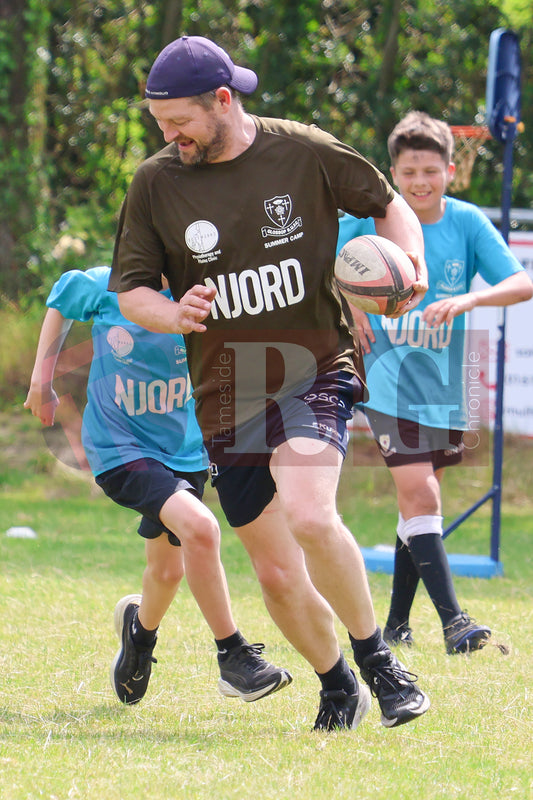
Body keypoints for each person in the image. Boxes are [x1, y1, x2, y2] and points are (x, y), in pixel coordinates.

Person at [108, 35, 431, 731]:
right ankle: (337, 683)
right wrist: (172, 312)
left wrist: (410, 260)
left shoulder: (303, 150)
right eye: (159, 124)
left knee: (311, 513)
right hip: (226, 390)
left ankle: (379, 662)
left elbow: (387, 202)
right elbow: (131, 290)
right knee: (277, 575)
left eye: (179, 122)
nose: (169, 137)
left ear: (223, 101)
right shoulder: (155, 182)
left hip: (312, 369)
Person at [24, 265, 292, 706]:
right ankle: (233, 656)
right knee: (201, 529)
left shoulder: (210, 293)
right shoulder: (108, 285)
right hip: (119, 449)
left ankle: (139, 636)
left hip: (186, 451)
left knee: (168, 571)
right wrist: (42, 378)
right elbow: (63, 296)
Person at [337, 111, 533, 654]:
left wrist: (470, 297)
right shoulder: (366, 221)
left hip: (443, 382)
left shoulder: (466, 223)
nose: (419, 182)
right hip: (382, 377)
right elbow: (314, 265)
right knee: (419, 490)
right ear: (392, 174)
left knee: (418, 503)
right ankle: (455, 623)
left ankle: (396, 625)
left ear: (450, 169)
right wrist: (346, 308)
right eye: (408, 172)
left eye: (429, 170)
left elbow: (522, 284)